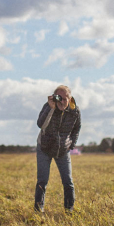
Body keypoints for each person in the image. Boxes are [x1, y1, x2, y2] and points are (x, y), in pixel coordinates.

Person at [34, 85, 81, 213]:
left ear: (70, 99)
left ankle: (69, 210)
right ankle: (38, 211)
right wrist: (51, 108)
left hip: (63, 150)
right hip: (45, 148)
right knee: (42, 180)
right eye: (59, 97)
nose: (62, 101)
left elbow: (76, 129)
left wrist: (70, 145)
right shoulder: (48, 106)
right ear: (54, 97)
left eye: (65, 98)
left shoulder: (75, 111)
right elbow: (41, 125)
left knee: (68, 181)